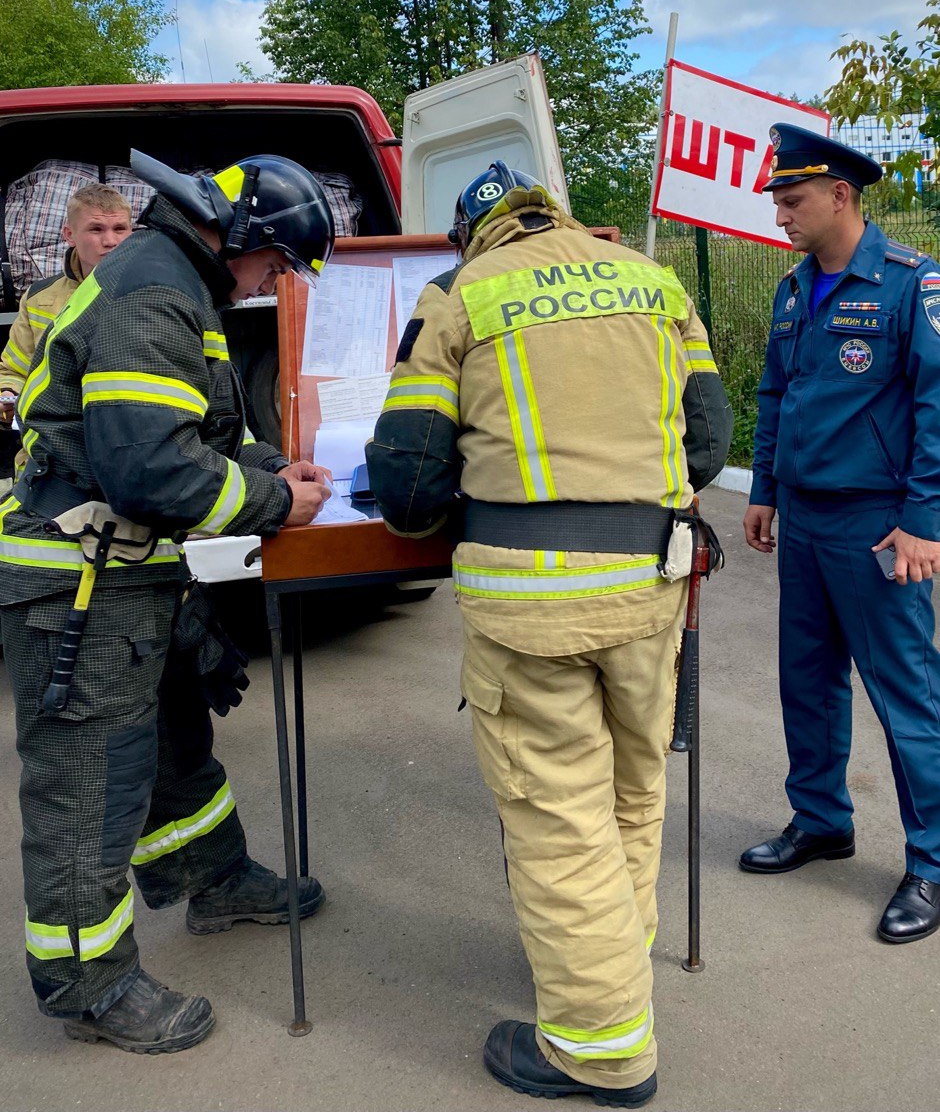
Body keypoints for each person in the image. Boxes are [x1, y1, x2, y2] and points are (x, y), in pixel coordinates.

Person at [367, 162, 731, 1107]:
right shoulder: (653, 283)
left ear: (471, 234)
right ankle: (612, 965)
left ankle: (602, 1047)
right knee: (632, 792)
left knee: (557, 818)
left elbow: (406, 489)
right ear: (550, 214)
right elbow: (705, 446)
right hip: (649, 593)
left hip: (529, 607)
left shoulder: (458, 298)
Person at [0, 150, 335, 1053]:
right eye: (277, 263)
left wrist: (272, 467)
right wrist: (275, 505)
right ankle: (89, 988)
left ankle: (213, 882)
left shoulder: (176, 282)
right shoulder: (156, 294)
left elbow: (201, 431)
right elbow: (147, 466)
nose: (277, 282)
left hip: (127, 575)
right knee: (87, 787)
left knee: (174, 740)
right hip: (78, 587)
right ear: (237, 240)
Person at [740, 123, 940, 943]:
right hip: (802, 517)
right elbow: (776, 393)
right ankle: (821, 821)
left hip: (877, 525)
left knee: (904, 692)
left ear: (841, 195)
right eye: (777, 202)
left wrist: (924, 522)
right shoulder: (793, 289)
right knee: (806, 679)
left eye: (792, 200)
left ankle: (933, 863)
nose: (781, 216)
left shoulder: (914, 285)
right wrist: (764, 487)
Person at [0, 184, 134, 489]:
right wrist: (7, 394)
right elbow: (14, 370)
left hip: (128, 460)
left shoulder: (153, 294)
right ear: (69, 235)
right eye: (96, 229)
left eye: (119, 228)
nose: (110, 240)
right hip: (51, 465)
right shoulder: (39, 299)